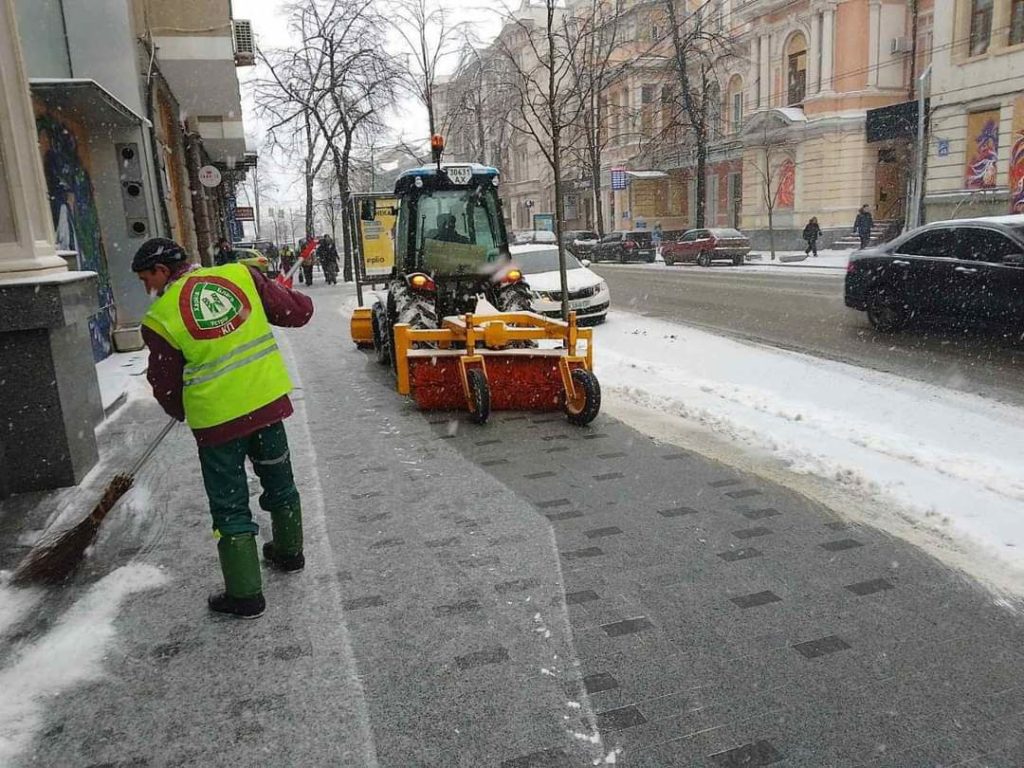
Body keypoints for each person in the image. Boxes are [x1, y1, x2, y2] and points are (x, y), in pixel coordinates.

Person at [133, 237, 314, 619]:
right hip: (266, 408)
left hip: (218, 425)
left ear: (162, 270)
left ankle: (246, 595)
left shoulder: (161, 318)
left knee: (230, 504)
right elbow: (297, 313)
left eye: (146, 277)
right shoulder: (241, 276)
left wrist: (180, 407)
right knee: (280, 483)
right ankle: (289, 553)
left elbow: (165, 382)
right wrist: (284, 295)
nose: (146, 287)